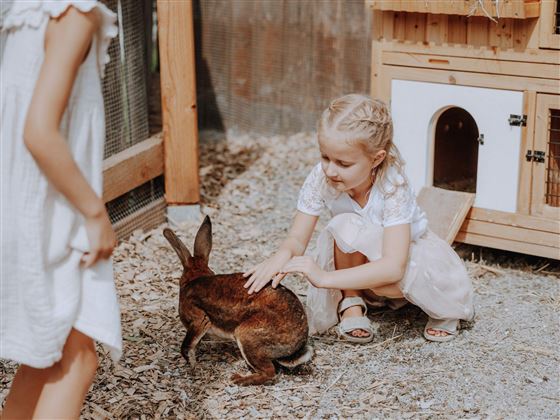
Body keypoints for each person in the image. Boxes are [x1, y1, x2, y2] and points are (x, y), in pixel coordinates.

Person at [243, 93, 474, 344]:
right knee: (343, 225)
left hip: (407, 259)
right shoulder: (322, 177)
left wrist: (324, 278)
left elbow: (394, 265)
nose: (330, 170)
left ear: (376, 159)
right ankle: (351, 301)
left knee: (388, 282)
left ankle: (441, 308)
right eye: (325, 157)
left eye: (343, 163)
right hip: (367, 260)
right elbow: (297, 237)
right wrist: (281, 256)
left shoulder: (392, 186)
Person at [0, 1, 122, 418]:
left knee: (47, 359)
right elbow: (38, 131)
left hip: (22, 207)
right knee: (78, 358)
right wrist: (94, 213)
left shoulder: (28, 12)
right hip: (49, 215)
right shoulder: (74, 14)